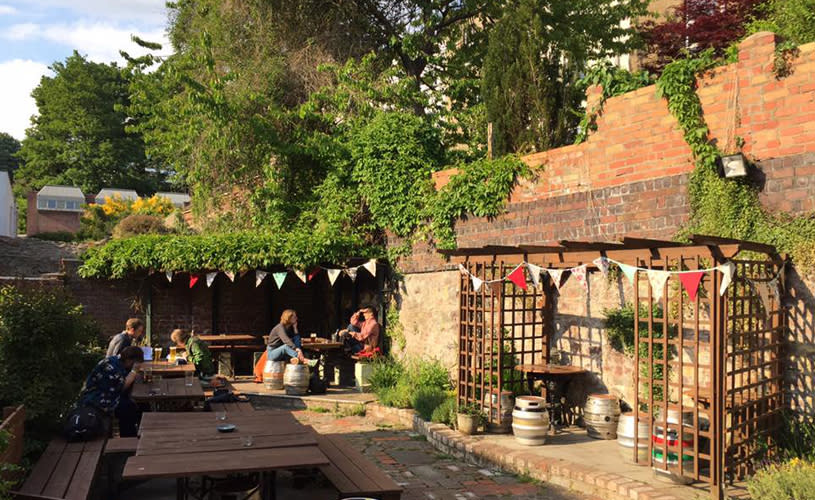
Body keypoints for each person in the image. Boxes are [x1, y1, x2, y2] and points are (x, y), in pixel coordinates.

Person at [78, 345, 144, 437]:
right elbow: (122, 387)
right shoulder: (110, 366)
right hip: (97, 399)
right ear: (129, 360)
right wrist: (134, 371)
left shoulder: (117, 362)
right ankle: (129, 439)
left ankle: (136, 434)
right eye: (135, 363)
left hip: (108, 394)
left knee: (139, 405)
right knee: (128, 408)